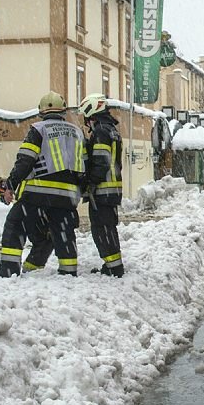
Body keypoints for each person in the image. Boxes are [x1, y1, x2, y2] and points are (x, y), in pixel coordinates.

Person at [0, 91, 86, 278]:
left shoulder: (39, 129)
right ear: (63, 111)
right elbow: (85, 165)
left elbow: (25, 160)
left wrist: (11, 185)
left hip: (38, 194)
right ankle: (68, 272)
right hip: (67, 197)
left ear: (41, 111)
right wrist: (82, 190)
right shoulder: (77, 133)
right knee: (62, 232)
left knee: (15, 225)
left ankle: (8, 271)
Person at [78, 93, 124, 278]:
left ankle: (114, 268)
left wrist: (90, 182)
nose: (86, 121)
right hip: (112, 190)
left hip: (102, 190)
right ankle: (113, 265)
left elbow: (101, 161)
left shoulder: (101, 132)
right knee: (108, 228)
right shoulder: (112, 130)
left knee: (101, 229)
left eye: (86, 117)